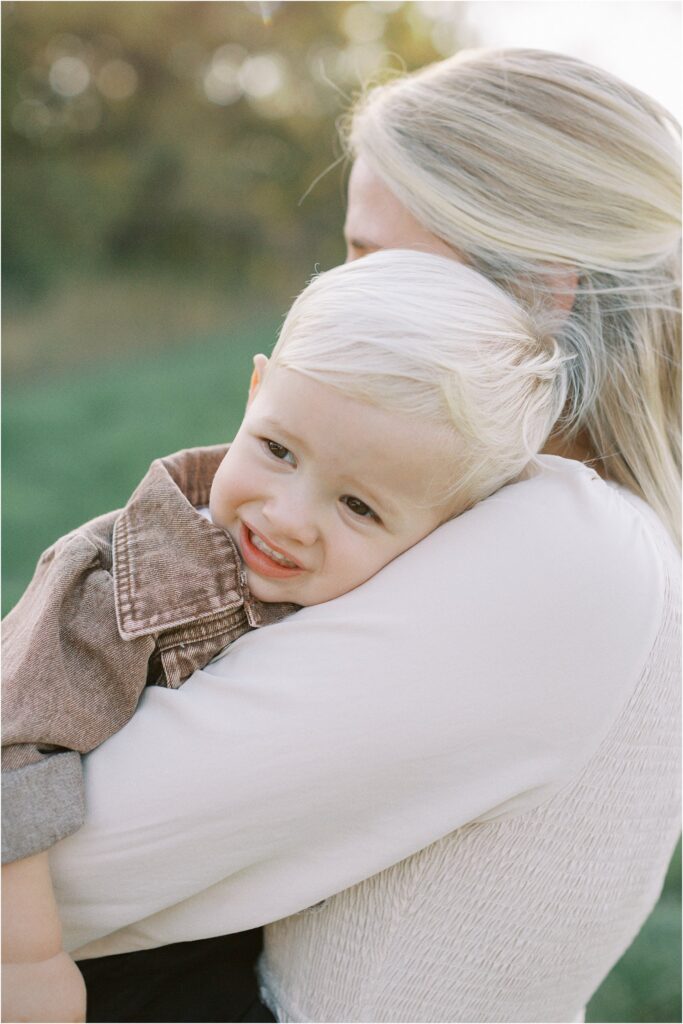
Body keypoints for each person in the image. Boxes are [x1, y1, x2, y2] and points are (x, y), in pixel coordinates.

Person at [8, 47, 681, 1023]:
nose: (344, 292)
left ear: (544, 290)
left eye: (373, 258)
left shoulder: (566, 546)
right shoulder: (544, 526)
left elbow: (83, 870)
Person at [2, 249, 570, 1023]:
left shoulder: (400, 614)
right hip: (85, 958)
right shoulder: (107, 587)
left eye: (358, 507)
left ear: (442, 535)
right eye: (277, 450)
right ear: (256, 388)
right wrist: (25, 961)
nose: (287, 517)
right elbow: (11, 751)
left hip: (224, 945)